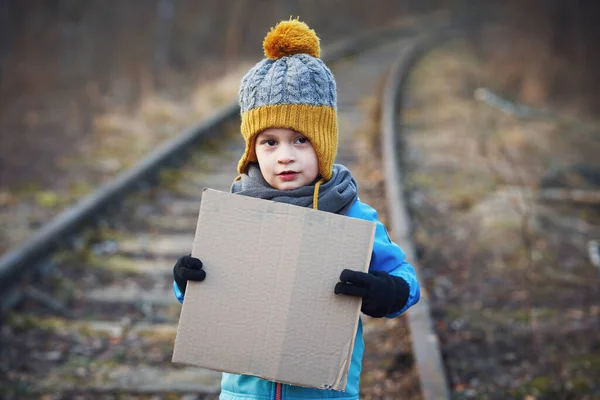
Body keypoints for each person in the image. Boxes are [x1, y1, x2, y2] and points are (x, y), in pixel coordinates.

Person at [172, 18, 420, 400]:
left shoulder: (352, 216)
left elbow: (406, 280)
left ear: (323, 143)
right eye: (269, 142)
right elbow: (208, 297)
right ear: (251, 149)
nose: (285, 157)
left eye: (300, 140)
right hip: (244, 394)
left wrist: (384, 291)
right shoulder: (237, 213)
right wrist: (186, 282)